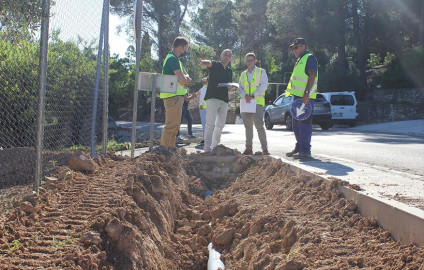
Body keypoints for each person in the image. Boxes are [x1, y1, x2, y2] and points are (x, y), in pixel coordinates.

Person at [285, 38, 318, 159]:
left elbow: (312, 75)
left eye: (296, 47)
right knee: (296, 124)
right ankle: (299, 147)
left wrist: (307, 93)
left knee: (304, 123)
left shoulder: (309, 58)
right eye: (293, 48)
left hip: (305, 97)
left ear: (304, 46)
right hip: (298, 97)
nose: (294, 50)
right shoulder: (299, 60)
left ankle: (305, 151)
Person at [159, 36, 191, 149]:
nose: (185, 51)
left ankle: (170, 149)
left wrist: (185, 78)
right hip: (173, 97)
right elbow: (182, 80)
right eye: (185, 48)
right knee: (171, 126)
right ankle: (164, 150)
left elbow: (182, 78)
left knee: (174, 126)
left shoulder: (173, 59)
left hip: (174, 97)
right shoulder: (172, 59)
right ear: (180, 47)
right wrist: (186, 79)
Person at [198, 49, 233, 152]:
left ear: (230, 58)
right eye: (225, 54)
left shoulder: (229, 70)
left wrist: (230, 86)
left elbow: (229, 86)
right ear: (220, 55)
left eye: (229, 55)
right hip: (212, 98)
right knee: (210, 124)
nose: (226, 57)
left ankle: (214, 148)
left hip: (224, 100)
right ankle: (207, 149)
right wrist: (203, 62)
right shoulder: (216, 65)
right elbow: (209, 63)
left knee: (220, 125)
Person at [238, 52, 269, 155]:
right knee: (248, 128)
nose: (249, 62)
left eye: (251, 60)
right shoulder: (243, 74)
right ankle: (248, 148)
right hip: (246, 103)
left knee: (259, 127)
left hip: (257, 102)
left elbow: (264, 85)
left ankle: (264, 149)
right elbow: (239, 88)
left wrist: (253, 95)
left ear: (255, 61)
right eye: (247, 60)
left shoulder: (261, 72)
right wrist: (245, 95)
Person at [198, 77, 208, 144]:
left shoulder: (203, 89)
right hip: (210, 108)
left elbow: (202, 98)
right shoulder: (211, 88)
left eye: (204, 82)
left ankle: (205, 139)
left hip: (203, 108)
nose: (203, 83)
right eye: (202, 82)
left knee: (204, 124)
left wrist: (201, 105)